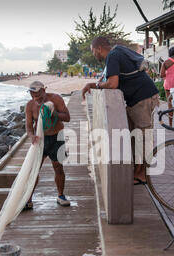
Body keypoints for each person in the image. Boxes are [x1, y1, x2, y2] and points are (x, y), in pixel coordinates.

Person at [81, 37, 159, 186]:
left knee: (142, 136)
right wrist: (95, 84)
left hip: (142, 97)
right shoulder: (115, 53)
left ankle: (142, 174)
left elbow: (113, 83)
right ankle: (137, 170)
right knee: (133, 135)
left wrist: (94, 85)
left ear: (98, 48)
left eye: (93, 51)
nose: (93, 55)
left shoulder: (112, 56)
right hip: (136, 98)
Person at [24, 80, 71, 208]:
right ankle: (28, 199)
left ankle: (60, 196)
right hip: (40, 140)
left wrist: (53, 113)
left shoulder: (56, 99)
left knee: (58, 167)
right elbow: (28, 126)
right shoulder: (30, 105)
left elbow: (67, 117)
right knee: (34, 169)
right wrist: (31, 136)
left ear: (44, 90)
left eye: (38, 95)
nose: (35, 98)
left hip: (56, 137)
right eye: (32, 95)